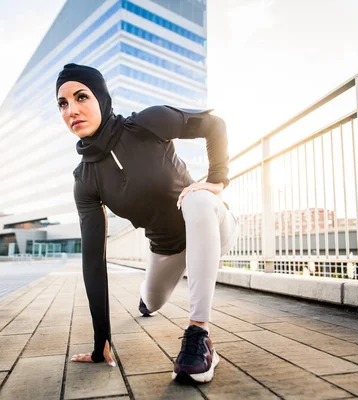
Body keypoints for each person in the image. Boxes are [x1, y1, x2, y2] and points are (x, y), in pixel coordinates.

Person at [56, 63, 238, 383]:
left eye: (81, 97)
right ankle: (147, 299)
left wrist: (217, 181)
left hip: (209, 226)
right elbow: (93, 261)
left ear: (100, 97)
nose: (72, 110)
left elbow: (215, 125)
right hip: (166, 249)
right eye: (63, 103)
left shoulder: (149, 123)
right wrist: (101, 343)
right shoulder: (84, 180)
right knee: (151, 302)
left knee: (195, 199)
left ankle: (199, 335)